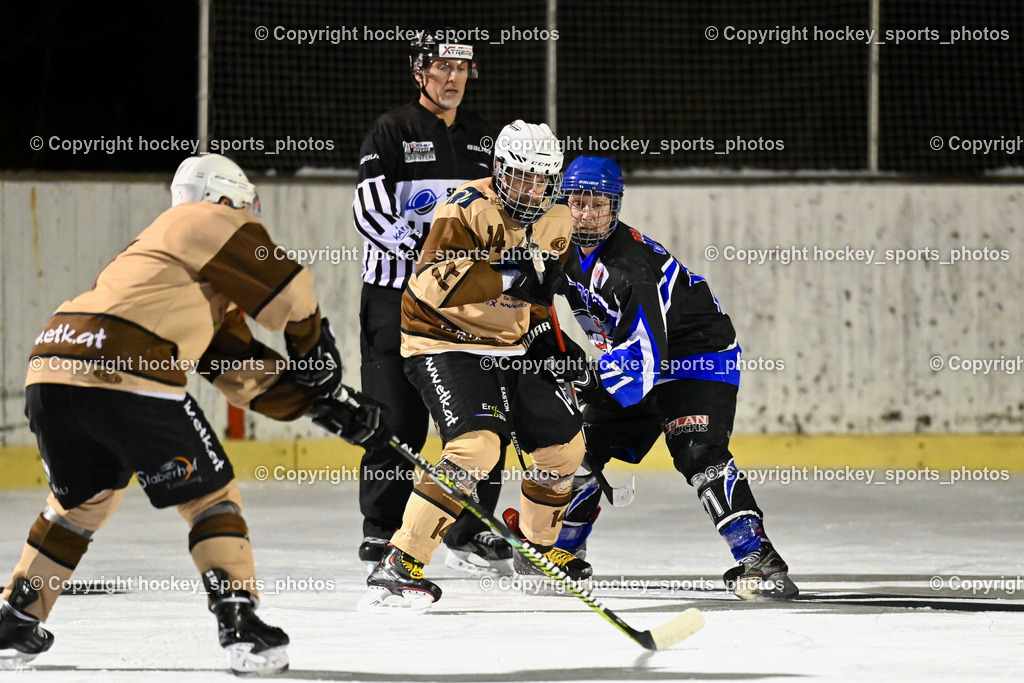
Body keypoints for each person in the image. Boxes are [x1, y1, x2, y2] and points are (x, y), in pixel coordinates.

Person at [0, 154, 384, 674]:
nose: (249, 218)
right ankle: (240, 623)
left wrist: (318, 403)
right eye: (244, 207)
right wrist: (312, 343)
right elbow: (291, 289)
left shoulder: (162, 259)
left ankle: (15, 619)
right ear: (225, 198)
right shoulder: (202, 219)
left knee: (80, 505)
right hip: (123, 364)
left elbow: (232, 366)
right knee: (211, 498)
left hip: (53, 368)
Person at [359, 120, 591, 612]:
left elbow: (543, 296)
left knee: (565, 450)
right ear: (498, 170)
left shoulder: (558, 221)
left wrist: (554, 339)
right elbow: (436, 282)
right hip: (439, 338)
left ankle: (536, 550)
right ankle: (399, 562)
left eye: (540, 180)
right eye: (519, 176)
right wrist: (510, 277)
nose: (529, 190)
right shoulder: (464, 207)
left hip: (508, 344)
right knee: (476, 448)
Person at [552, 156, 799, 600]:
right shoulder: (561, 251)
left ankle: (760, 559)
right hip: (636, 360)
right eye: (577, 202)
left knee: (699, 452)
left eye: (598, 204)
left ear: (615, 208)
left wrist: (587, 379)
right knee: (576, 452)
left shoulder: (630, 269)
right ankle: (560, 551)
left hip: (696, 359)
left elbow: (643, 362)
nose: (586, 214)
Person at [352, 29, 511, 576]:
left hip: (462, 305)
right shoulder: (392, 130)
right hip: (395, 299)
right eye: (441, 68)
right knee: (395, 421)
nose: (452, 79)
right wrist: (429, 256)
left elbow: (500, 217)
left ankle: (470, 531)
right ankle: (383, 533)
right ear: (419, 72)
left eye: (461, 69)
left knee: (479, 416)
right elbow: (369, 212)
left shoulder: (484, 139)